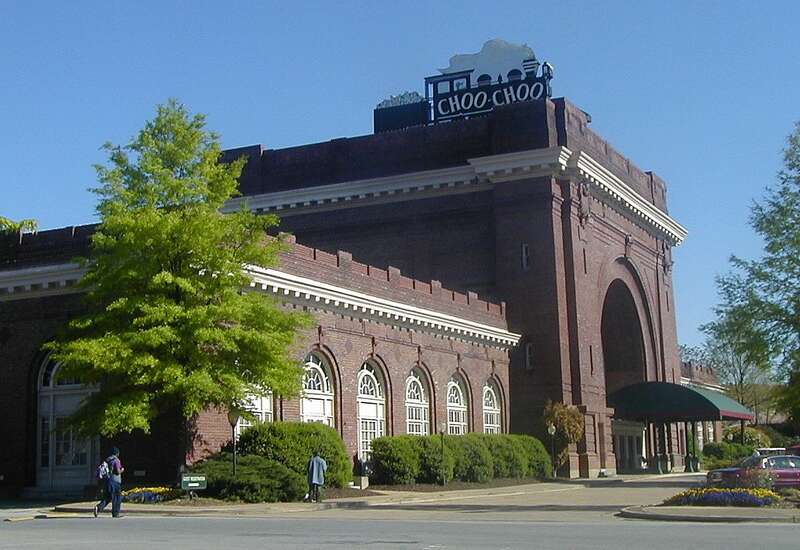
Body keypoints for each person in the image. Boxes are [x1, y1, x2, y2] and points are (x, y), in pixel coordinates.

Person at [94, 447, 124, 518]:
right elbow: (117, 471)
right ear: (117, 453)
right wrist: (122, 470)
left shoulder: (107, 460)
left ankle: (98, 508)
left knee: (107, 497)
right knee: (117, 497)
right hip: (115, 481)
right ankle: (115, 513)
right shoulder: (116, 460)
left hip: (107, 481)